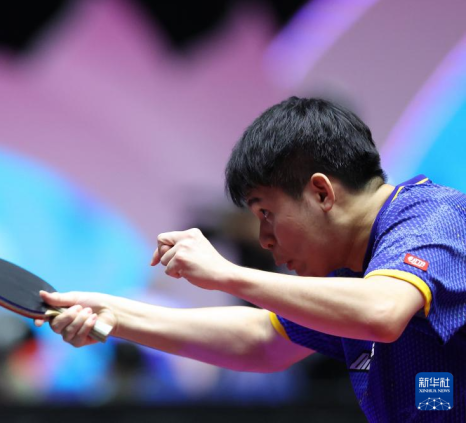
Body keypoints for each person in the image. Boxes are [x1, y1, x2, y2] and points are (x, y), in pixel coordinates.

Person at [35, 97, 466, 421]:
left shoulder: (436, 219)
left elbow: (382, 312)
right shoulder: (348, 269)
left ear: (321, 193)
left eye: (266, 213)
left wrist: (226, 274)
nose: (264, 239)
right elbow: (261, 341)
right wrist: (112, 314)